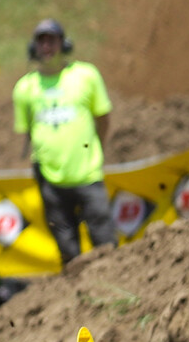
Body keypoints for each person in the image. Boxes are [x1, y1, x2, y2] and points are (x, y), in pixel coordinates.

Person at [14, 18, 115, 264]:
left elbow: (103, 118)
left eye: (52, 40)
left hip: (87, 175)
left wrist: (94, 148)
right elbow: (27, 131)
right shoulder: (24, 88)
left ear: (64, 44)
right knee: (68, 253)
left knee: (106, 246)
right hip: (50, 180)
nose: (47, 47)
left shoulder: (86, 75)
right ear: (33, 47)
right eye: (41, 41)